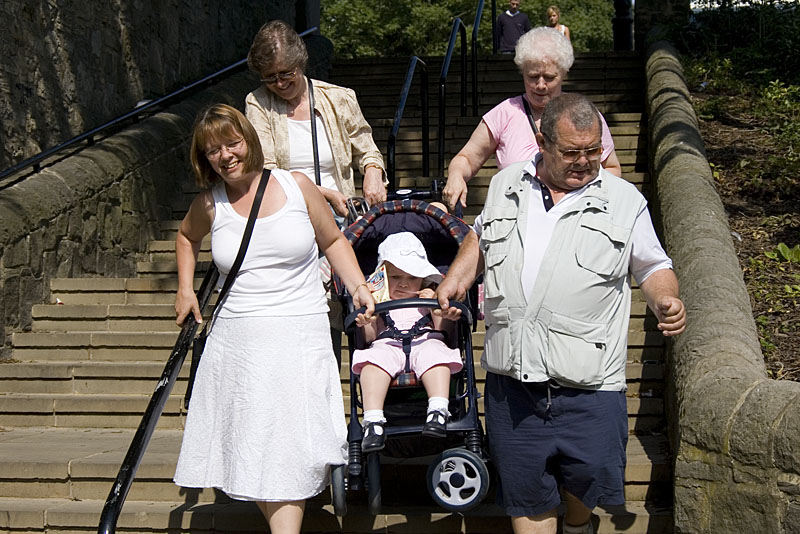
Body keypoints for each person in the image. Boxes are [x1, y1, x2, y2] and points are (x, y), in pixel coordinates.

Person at [435, 94, 686, 534]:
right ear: (541, 141)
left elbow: (652, 265)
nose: (584, 161)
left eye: (593, 150)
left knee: (583, 493)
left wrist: (667, 299)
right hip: (511, 385)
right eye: (571, 152)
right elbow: (481, 235)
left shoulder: (625, 201)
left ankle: (577, 524)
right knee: (528, 501)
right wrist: (458, 277)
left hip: (589, 385)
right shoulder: (505, 183)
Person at [172, 104, 375, 534]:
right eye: (213, 150)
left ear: (250, 139)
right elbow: (186, 237)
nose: (225, 155)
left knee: (285, 446)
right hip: (238, 340)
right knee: (257, 445)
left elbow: (333, 238)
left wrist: (358, 285)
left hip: (299, 333)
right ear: (203, 159)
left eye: (233, 143)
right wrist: (186, 289)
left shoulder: (296, 184)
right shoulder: (210, 203)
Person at [443, 26, 623, 211]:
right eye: (533, 77)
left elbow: (611, 168)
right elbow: (466, 158)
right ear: (522, 72)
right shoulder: (504, 113)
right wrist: (456, 176)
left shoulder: (585, 114)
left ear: (564, 73)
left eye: (549, 77)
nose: (541, 85)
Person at [245, 20, 387, 220]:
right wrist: (328, 195)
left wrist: (373, 172)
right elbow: (268, 172)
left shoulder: (339, 98)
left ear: (300, 62)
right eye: (270, 77)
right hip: (288, 214)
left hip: (341, 215)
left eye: (286, 73)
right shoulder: (257, 103)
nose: (279, 83)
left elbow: (367, 150)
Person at [351, 232, 463, 453]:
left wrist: (437, 307)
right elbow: (371, 338)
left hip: (425, 339)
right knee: (372, 362)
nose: (403, 284)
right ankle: (373, 420)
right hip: (387, 343)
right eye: (395, 278)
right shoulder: (378, 300)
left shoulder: (428, 297)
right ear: (383, 276)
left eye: (412, 278)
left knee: (436, 354)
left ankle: (438, 409)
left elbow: (442, 330)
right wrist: (366, 322)